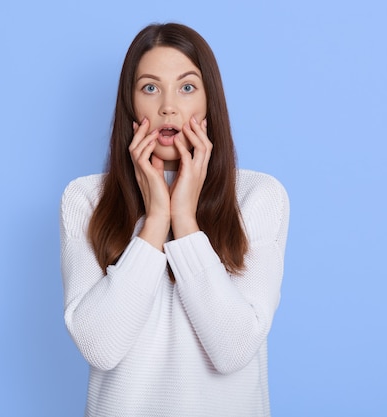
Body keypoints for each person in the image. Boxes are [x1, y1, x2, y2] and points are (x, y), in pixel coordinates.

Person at [60, 22, 289, 417]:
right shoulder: (85, 199)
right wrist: (155, 220)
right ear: (130, 104)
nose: (168, 106)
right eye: (150, 87)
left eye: (186, 87)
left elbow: (233, 350)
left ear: (208, 102)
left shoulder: (258, 196)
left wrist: (184, 217)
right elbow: (100, 346)